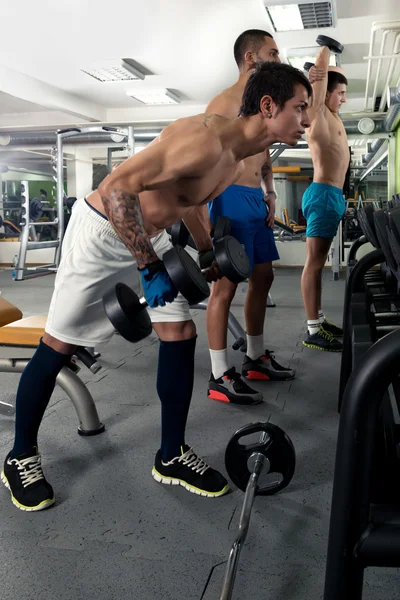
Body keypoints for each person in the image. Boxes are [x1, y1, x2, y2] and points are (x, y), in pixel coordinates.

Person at [1, 61, 311, 511]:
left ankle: (170, 455)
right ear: (268, 106)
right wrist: (148, 267)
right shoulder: (204, 139)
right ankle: (20, 455)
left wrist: (206, 250)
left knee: (181, 334)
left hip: (152, 233)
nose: (306, 119)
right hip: (105, 231)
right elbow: (118, 188)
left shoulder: (238, 156)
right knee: (59, 344)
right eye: (300, 107)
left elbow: (189, 201)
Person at [205, 30, 320, 405]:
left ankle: (254, 358)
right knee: (224, 288)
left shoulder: (265, 104)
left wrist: (269, 192)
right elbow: (210, 157)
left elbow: (263, 152)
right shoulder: (222, 103)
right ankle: (220, 373)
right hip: (229, 197)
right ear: (251, 57)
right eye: (273, 52)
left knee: (264, 275)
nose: (278, 57)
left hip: (255, 199)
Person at [301, 44, 349, 352]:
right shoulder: (318, 114)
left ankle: (318, 319)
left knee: (318, 264)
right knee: (314, 264)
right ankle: (312, 330)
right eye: (340, 92)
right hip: (322, 195)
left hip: (332, 196)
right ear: (326, 93)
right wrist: (325, 51)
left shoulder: (334, 117)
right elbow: (317, 85)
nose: (344, 98)